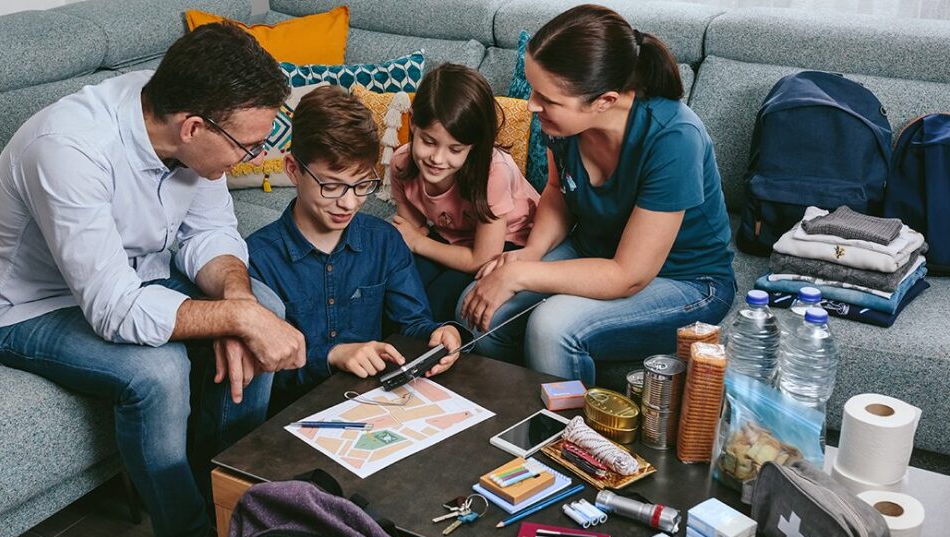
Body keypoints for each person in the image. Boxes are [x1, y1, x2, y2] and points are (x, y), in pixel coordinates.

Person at [0, 23, 305, 537]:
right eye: (249, 146)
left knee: (266, 306)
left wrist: (240, 309)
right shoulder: (70, 149)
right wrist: (239, 320)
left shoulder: (180, 110)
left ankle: (230, 503)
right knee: (158, 372)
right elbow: (114, 310)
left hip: (132, 274)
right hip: (24, 308)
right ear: (193, 128)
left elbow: (209, 234)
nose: (252, 156)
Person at [458, 5, 735, 385]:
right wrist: (531, 253)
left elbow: (627, 275)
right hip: (595, 250)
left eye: (548, 99)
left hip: (686, 280)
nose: (531, 105)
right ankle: (513, 412)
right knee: (476, 306)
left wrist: (522, 274)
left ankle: (566, 437)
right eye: (534, 90)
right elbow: (557, 191)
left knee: (552, 327)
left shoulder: (674, 137)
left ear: (605, 100)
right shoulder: (561, 123)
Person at [246, 86, 466, 409]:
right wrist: (332, 356)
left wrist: (442, 334)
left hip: (375, 411)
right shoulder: (257, 260)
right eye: (331, 185)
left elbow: (413, 325)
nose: (349, 203)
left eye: (363, 184)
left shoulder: (384, 242)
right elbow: (258, 371)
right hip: (289, 422)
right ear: (293, 169)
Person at [390, 64, 540, 322]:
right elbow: (409, 232)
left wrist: (418, 242)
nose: (438, 158)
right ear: (413, 122)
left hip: (507, 242)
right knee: (397, 292)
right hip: (451, 236)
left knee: (438, 304)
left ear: (474, 145)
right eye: (428, 141)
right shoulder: (401, 162)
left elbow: (481, 258)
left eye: (455, 149)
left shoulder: (494, 173)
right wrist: (414, 243)